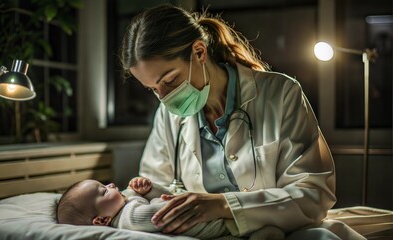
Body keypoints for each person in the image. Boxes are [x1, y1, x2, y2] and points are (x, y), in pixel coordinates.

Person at [120, 4, 365, 240]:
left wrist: (224, 206)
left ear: (199, 52)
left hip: (287, 231)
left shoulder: (280, 94)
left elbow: (313, 194)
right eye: (152, 89)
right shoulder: (168, 115)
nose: (164, 97)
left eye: (170, 80)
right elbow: (150, 192)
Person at [56, 177, 285, 240]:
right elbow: (163, 210)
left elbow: (158, 197)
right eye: (104, 191)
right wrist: (151, 197)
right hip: (213, 224)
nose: (111, 185)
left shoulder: (125, 205)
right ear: (101, 221)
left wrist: (147, 188)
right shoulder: (131, 217)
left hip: (207, 224)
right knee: (259, 229)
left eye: (104, 183)